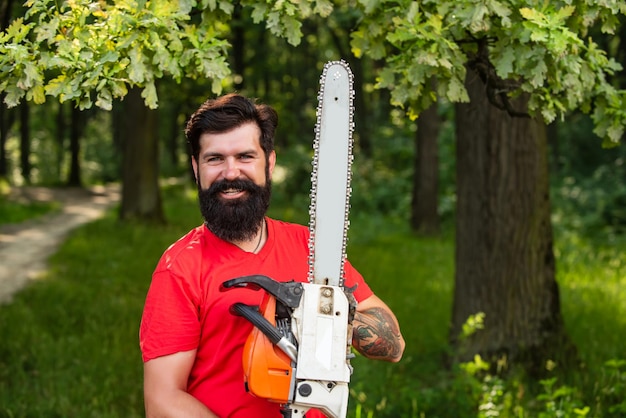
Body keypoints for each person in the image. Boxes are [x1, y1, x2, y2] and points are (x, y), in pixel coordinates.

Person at [139, 93, 405, 418]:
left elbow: (394, 346)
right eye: (215, 159)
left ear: (270, 162)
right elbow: (162, 400)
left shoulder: (312, 247)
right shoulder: (180, 267)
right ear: (196, 168)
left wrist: (331, 320)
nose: (231, 172)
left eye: (245, 156)